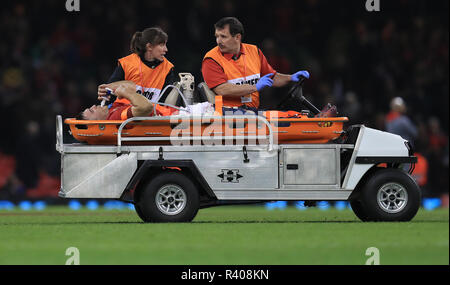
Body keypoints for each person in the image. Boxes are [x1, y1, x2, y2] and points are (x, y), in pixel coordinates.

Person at [201, 17, 310, 112]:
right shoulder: (211, 59)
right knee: (280, 122)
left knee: (287, 118)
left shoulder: (254, 51)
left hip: (252, 112)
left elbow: (271, 78)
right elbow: (222, 89)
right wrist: (255, 87)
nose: (218, 41)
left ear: (237, 37)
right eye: (217, 36)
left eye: (223, 37)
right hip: (227, 114)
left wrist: (291, 77)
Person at [97, 27, 178, 106]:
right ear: (149, 46)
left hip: (152, 115)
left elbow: (165, 104)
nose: (166, 49)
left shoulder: (168, 68)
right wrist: (104, 97)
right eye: (161, 45)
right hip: (123, 114)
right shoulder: (127, 63)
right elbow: (108, 92)